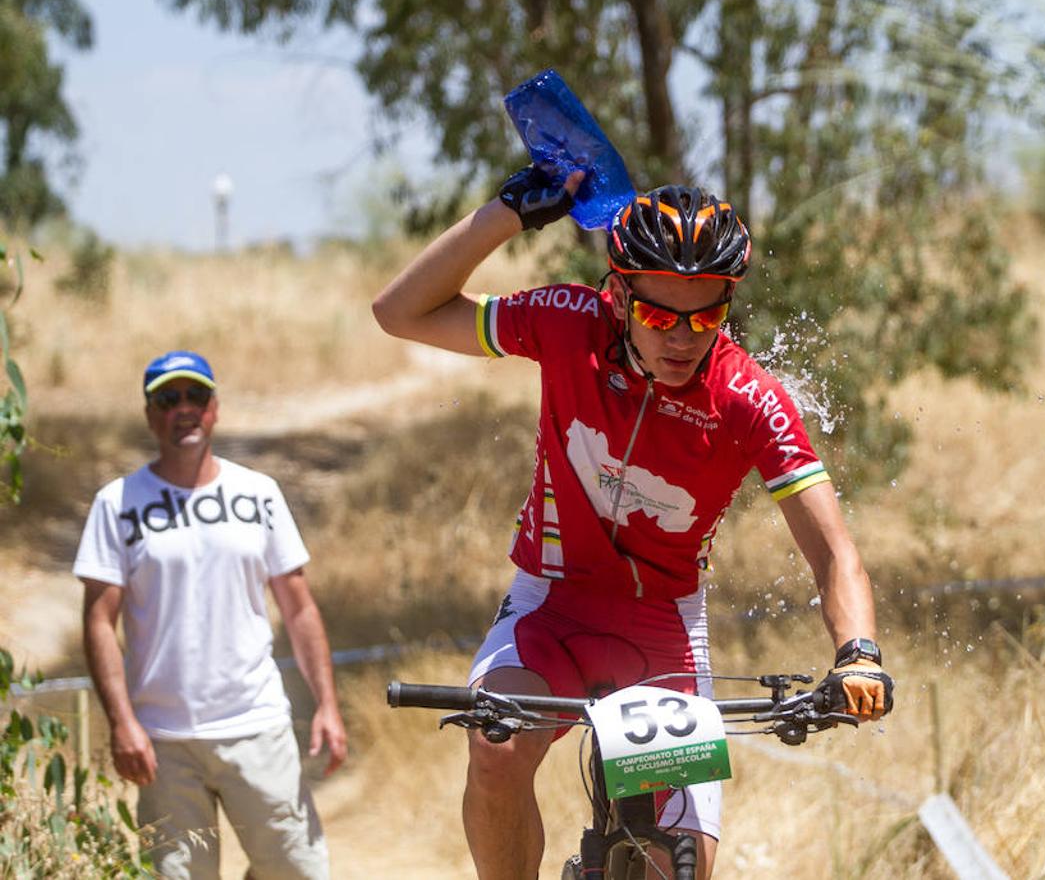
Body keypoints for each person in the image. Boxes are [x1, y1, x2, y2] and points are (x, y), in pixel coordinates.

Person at [372, 167, 893, 880]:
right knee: (495, 746)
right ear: (616, 296)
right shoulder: (565, 322)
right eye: (657, 316)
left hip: (661, 630)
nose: (681, 339)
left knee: (675, 868)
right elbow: (399, 312)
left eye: (703, 316)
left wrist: (858, 652)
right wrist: (505, 215)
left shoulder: (748, 399)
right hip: (550, 608)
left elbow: (834, 554)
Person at [75, 350, 347, 880]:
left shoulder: (258, 494)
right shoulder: (117, 503)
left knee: (297, 871)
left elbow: (299, 608)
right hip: (164, 743)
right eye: (168, 398)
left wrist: (327, 706)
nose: (184, 408)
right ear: (150, 413)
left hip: (256, 726)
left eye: (196, 396)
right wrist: (122, 722)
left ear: (215, 408)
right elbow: (98, 623)